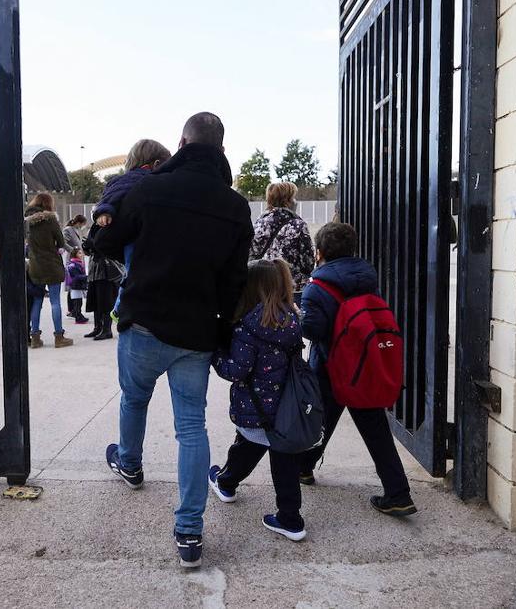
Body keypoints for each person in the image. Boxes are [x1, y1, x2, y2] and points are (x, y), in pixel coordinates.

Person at [93, 112, 253, 569]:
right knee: (191, 427)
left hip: (144, 319)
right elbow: (234, 280)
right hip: (196, 331)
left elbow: (103, 243)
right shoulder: (235, 206)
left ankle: (130, 462)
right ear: (221, 149)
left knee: (134, 399)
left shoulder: (149, 189)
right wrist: (220, 329)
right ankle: (189, 532)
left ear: (182, 142)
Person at [298, 221, 416, 516]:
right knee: (376, 429)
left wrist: (299, 315)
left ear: (320, 252)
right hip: (361, 366)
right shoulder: (366, 277)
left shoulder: (317, 287)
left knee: (320, 420)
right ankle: (398, 492)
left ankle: (304, 467)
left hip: (330, 366)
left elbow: (312, 331)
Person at [207, 259, 308, 541]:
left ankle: (226, 482)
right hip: (286, 407)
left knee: (247, 446)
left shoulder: (248, 327)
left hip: (256, 408)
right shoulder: (291, 318)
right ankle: (290, 517)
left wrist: (215, 353)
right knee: (282, 458)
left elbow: (235, 370)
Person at [91, 139, 173, 314]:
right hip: (134, 238)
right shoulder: (139, 181)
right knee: (131, 273)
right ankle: (119, 307)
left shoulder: (129, 180)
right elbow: (111, 197)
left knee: (130, 273)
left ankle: (121, 306)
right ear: (156, 164)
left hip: (130, 237)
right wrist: (104, 212)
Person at [25, 192, 73, 349]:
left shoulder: (26, 221)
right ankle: (59, 337)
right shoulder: (51, 219)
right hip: (51, 265)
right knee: (54, 302)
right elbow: (60, 242)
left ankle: (35, 339)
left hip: (35, 266)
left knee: (37, 301)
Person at [250, 182, 315, 289]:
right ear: (287, 201)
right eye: (293, 197)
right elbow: (308, 264)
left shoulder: (258, 224)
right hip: (290, 288)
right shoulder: (298, 225)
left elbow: (251, 256)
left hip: (263, 287)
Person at [82, 232, 122, 340]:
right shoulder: (93, 230)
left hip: (106, 271)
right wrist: (87, 246)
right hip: (94, 270)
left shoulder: (110, 229)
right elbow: (87, 247)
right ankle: (97, 327)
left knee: (105, 301)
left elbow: (110, 246)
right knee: (95, 300)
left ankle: (106, 329)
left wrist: (94, 245)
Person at [66, 248, 89, 325]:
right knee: (77, 302)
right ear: (75, 254)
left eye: (81, 253)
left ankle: (79, 315)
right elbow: (75, 277)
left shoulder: (77, 263)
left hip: (78, 286)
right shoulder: (73, 265)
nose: (81, 255)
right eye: (79, 253)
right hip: (75, 286)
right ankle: (78, 317)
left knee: (79, 302)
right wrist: (85, 277)